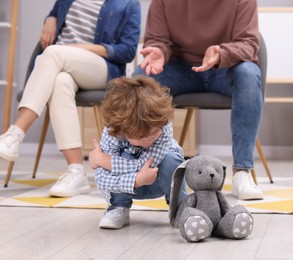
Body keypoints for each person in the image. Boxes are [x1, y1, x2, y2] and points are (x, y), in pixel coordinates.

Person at [0, 0, 141, 197]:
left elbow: (127, 50)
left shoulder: (128, 3)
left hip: (100, 67)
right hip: (59, 65)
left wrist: (88, 48)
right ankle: (76, 172)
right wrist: (50, 18)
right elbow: (55, 13)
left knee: (53, 52)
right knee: (60, 82)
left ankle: (15, 134)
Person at [133, 0, 264, 200]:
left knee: (249, 72)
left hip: (224, 69)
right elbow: (157, 39)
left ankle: (242, 172)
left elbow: (248, 44)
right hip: (181, 70)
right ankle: (138, 169)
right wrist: (159, 51)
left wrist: (222, 54)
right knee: (141, 79)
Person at [89, 76, 187, 229]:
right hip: (126, 187)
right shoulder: (112, 132)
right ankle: (118, 207)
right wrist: (136, 180)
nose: (148, 139)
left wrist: (102, 160)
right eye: (140, 137)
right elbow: (102, 180)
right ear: (122, 130)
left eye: (154, 132)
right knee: (125, 154)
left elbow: (148, 163)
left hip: (157, 180)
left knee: (171, 159)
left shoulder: (163, 124)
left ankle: (180, 208)